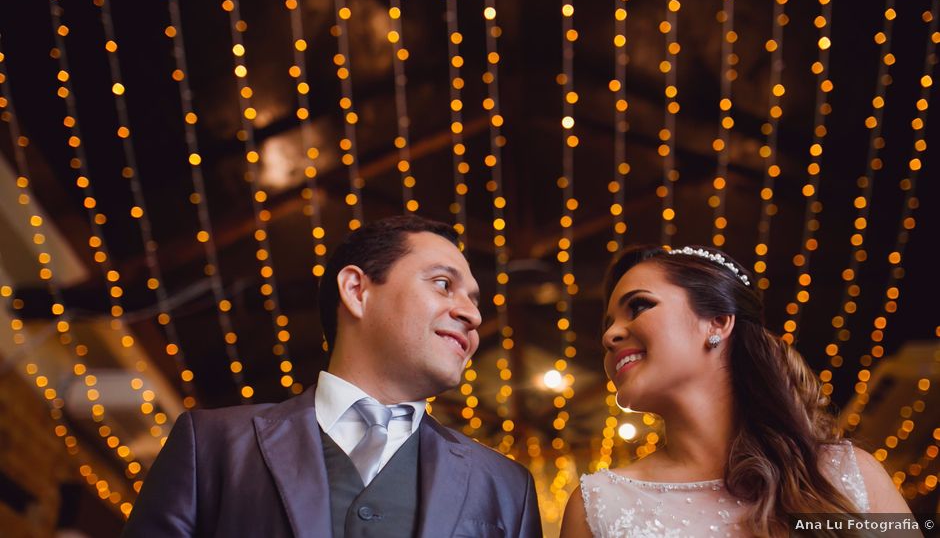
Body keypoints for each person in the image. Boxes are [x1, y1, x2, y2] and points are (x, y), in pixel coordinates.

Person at [123, 215, 542, 538]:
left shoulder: (505, 486)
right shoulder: (212, 444)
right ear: (357, 291)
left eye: (473, 300)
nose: (473, 314)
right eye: (442, 284)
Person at [560, 245, 910, 537]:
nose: (609, 336)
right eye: (608, 326)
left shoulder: (845, 475)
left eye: (639, 306)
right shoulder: (597, 506)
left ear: (718, 321)